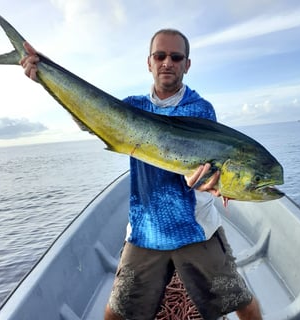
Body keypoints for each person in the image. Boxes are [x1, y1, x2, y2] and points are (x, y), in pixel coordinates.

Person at [20, 29, 262, 320]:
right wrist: (46, 74)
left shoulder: (200, 109)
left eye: (176, 57)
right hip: (145, 230)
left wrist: (203, 183)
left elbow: (203, 172)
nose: (167, 62)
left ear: (187, 64)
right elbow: (91, 118)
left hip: (196, 229)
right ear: (149, 62)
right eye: (160, 56)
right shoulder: (133, 107)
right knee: (114, 313)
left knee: (243, 304)